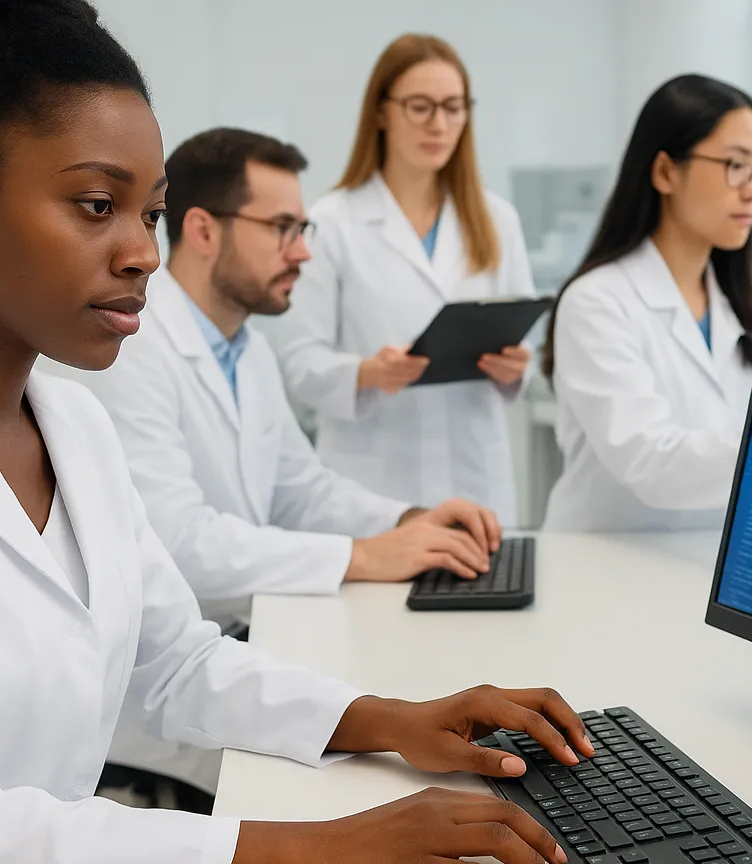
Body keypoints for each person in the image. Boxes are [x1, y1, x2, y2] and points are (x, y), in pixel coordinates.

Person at [0, 3, 594, 863]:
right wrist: (316, 847)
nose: (143, 253)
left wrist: (400, 720)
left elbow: (174, 666)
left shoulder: (73, 427)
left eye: (150, 214)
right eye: (97, 204)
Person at [65, 127, 507, 795]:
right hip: (159, 695)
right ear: (204, 231)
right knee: (380, 783)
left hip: (242, 644)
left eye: (302, 227)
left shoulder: (246, 350)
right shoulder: (132, 352)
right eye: (281, 228)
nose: (302, 250)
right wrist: (364, 557)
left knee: (411, 727)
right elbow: (178, 544)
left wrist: (411, 519)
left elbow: (299, 488)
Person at [277, 33, 536, 525]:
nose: (439, 124)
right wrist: (366, 374)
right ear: (381, 111)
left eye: (453, 107)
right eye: (420, 106)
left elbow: (522, 344)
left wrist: (515, 369)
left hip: (476, 481)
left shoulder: (497, 219)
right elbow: (298, 363)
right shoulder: (332, 221)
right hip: (372, 492)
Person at [540, 74, 752, 533]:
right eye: (735, 165)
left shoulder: (738, 310)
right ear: (666, 172)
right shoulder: (597, 302)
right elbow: (650, 462)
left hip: (701, 571)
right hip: (600, 572)